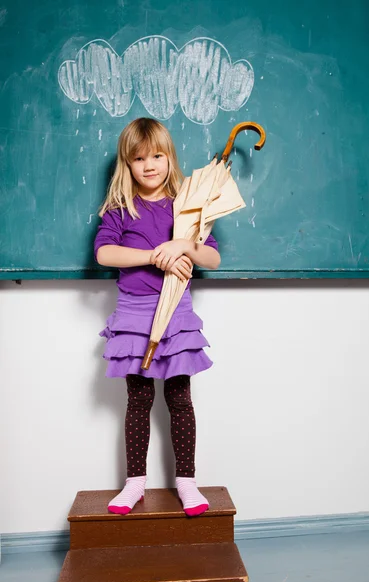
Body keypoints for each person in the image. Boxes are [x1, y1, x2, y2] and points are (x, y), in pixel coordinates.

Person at [94, 117, 220, 517]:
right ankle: (135, 484)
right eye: (139, 158)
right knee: (138, 399)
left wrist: (183, 242)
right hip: (134, 317)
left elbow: (212, 259)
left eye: (157, 156)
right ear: (127, 164)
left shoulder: (186, 208)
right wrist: (155, 256)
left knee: (180, 399)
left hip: (176, 315)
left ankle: (187, 482)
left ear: (170, 157)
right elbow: (104, 254)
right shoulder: (120, 208)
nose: (149, 165)